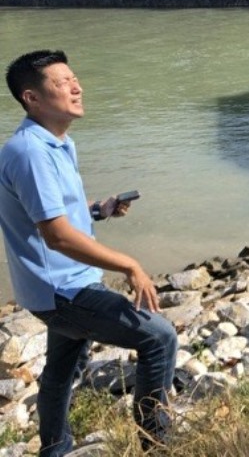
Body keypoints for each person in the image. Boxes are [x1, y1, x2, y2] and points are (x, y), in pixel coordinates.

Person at [0, 50, 178, 455]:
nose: (76, 87)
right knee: (159, 338)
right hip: (61, 290)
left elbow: (53, 213)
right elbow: (57, 236)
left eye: (74, 78)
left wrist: (99, 209)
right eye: (62, 83)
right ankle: (158, 444)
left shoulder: (59, 143)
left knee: (62, 371)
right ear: (32, 98)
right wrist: (129, 263)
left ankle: (55, 449)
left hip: (60, 285)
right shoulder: (29, 152)